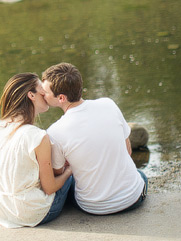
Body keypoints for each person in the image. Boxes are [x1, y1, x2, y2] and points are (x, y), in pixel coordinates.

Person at [42, 62, 148, 215]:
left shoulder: (55, 132)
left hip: (93, 208)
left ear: (61, 98)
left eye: (45, 92)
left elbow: (58, 173)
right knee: (140, 175)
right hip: (132, 199)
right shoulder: (108, 104)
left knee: (70, 182)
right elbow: (128, 150)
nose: (42, 94)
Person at [0, 73, 74, 228]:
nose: (46, 96)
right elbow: (50, 187)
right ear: (31, 95)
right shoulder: (36, 136)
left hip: (0, 210)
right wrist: (68, 171)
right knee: (72, 176)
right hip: (31, 213)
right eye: (42, 92)